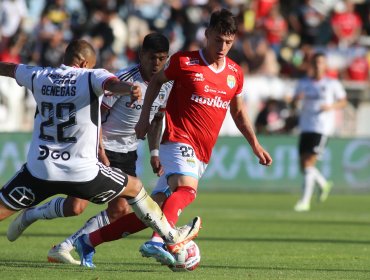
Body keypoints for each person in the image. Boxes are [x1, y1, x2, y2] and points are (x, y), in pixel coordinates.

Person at [74, 8, 272, 267]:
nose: (222, 46)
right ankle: (158, 241)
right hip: (178, 140)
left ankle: (89, 241)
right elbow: (155, 83)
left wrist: (255, 145)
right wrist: (145, 119)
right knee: (187, 191)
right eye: (217, 40)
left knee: (153, 210)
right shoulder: (184, 62)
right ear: (207, 34)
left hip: (202, 152)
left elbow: (238, 111)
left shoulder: (235, 73)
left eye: (228, 41)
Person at [0, 39, 201, 267]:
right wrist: (101, 149)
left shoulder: (39, 74)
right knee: (116, 198)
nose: (156, 62)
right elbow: (107, 95)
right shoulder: (95, 76)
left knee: (102, 208)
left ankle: (58, 238)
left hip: (56, 162)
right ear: (86, 63)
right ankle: (170, 238)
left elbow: (8, 68)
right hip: (94, 152)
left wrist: (154, 151)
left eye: (162, 57)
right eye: (152, 57)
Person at [293, 52, 347, 212]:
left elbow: (343, 101)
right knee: (304, 166)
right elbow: (294, 102)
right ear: (311, 64)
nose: (318, 65)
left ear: (325, 65)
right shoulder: (303, 83)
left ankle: (304, 202)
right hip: (305, 126)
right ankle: (323, 184)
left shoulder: (332, 83)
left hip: (321, 128)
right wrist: (296, 99)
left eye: (321, 62)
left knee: (309, 163)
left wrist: (331, 107)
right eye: (315, 62)